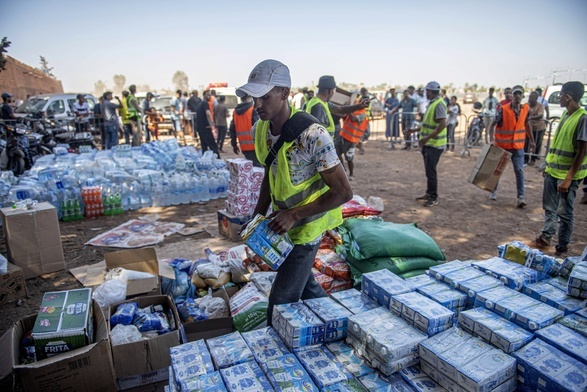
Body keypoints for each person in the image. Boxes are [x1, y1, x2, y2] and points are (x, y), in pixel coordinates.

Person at [236, 59, 352, 325]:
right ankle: (336, 324)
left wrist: (294, 214)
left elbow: (344, 192)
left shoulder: (313, 136)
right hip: (284, 228)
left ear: (285, 93)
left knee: (280, 305)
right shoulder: (261, 129)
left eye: (265, 97)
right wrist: (256, 218)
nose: (257, 105)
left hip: (307, 229)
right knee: (307, 287)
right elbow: (270, 172)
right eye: (254, 97)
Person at [535, 81, 587, 256]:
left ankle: (562, 245)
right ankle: (546, 236)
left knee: (564, 212)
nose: (559, 98)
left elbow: (582, 151)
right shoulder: (566, 114)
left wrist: (569, 178)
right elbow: (558, 144)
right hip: (553, 171)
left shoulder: (582, 118)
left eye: (561, 94)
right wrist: (548, 166)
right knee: (549, 207)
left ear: (568, 97)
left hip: (567, 175)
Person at [488, 85, 535, 207]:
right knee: (498, 170)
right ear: (512, 96)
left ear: (523, 96)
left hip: (517, 146)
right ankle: (493, 191)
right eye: (515, 94)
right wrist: (491, 139)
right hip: (503, 146)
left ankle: (521, 197)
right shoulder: (503, 110)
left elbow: (527, 125)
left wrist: (532, 140)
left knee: (519, 171)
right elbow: (492, 125)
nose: (517, 96)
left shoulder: (525, 109)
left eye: (520, 94)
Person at [405, 81, 447, 207]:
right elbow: (427, 125)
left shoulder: (439, 104)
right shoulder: (432, 103)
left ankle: (433, 197)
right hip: (429, 144)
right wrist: (414, 131)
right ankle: (429, 193)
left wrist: (426, 138)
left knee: (431, 171)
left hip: (434, 144)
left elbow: (442, 124)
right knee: (429, 171)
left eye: (426, 91)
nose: (425, 93)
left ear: (430, 91)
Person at [337, 101, 368, 178]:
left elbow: (353, 119)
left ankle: (351, 174)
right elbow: (345, 117)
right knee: (336, 153)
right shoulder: (355, 110)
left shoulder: (362, 113)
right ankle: (343, 170)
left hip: (351, 139)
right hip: (343, 135)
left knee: (349, 158)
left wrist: (348, 109)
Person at [230, 94, 260, 166]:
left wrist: (234, 144)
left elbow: (232, 129)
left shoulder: (235, 112)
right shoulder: (252, 110)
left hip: (244, 147)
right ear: (251, 97)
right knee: (259, 170)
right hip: (255, 146)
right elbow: (259, 128)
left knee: (251, 168)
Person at [524, 91, 546, 166]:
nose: (530, 99)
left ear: (536, 98)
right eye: (529, 97)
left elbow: (540, 115)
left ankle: (533, 158)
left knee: (537, 143)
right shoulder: (526, 105)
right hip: (528, 127)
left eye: (532, 97)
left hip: (538, 128)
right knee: (526, 143)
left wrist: (530, 117)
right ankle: (525, 158)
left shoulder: (540, 106)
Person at [195, 90, 220, 156]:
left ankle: (205, 159)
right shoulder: (205, 103)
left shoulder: (200, 104)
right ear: (204, 95)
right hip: (205, 127)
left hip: (200, 128)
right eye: (208, 95)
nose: (210, 96)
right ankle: (218, 159)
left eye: (210, 95)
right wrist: (211, 124)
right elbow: (208, 113)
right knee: (213, 145)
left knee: (204, 146)